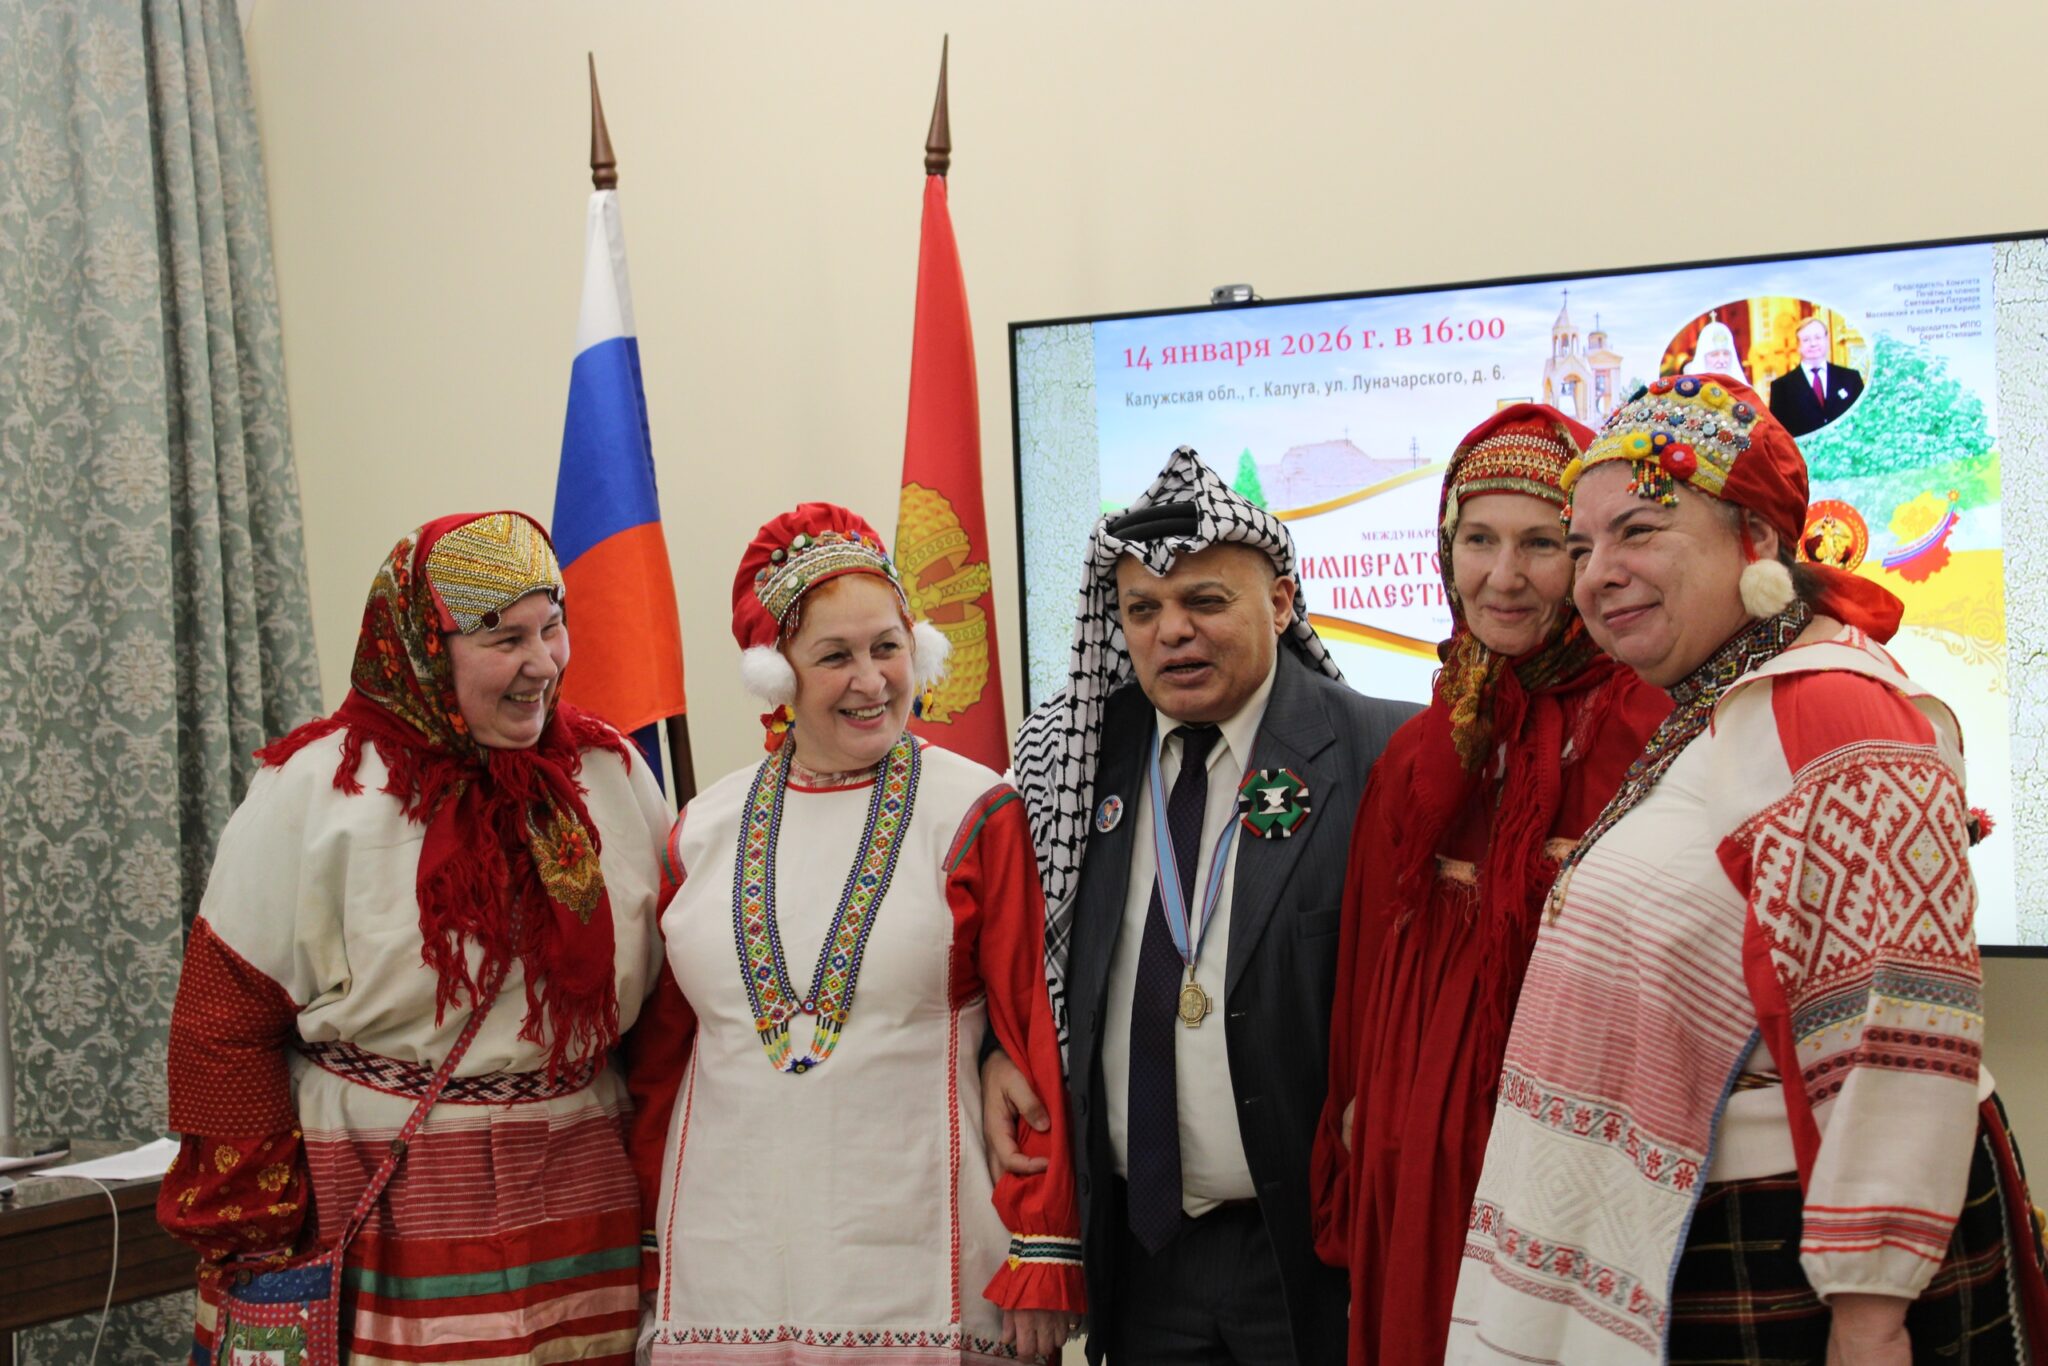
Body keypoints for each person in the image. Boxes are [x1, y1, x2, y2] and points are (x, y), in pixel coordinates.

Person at [1446, 376, 2048, 1364]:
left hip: (1799, 1255)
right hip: (1715, 1225)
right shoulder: (1724, 706)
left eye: (1639, 531)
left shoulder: (1832, 710)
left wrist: (1869, 1307)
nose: (1596, 576)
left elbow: (1895, 1026)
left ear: (1757, 539)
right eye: (1582, 546)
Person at [158, 511, 673, 1365]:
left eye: (551, 628)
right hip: (382, 1193)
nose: (543, 663)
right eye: (505, 639)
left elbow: (664, 1009)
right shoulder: (317, 791)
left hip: (584, 1189)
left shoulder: (609, 773)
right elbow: (225, 1019)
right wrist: (256, 1229)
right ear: (425, 649)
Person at [630, 504, 1083, 1364]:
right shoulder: (701, 829)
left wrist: (1042, 1246)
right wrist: (645, 1249)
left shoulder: (975, 809)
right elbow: (662, 1062)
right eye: (835, 656)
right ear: (780, 675)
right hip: (727, 1263)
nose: (871, 680)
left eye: (888, 646)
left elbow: (1030, 1028)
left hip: (924, 1255)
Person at [992, 449, 1416, 1365]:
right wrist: (998, 1052)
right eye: (1143, 610)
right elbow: (1027, 961)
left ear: (1282, 603)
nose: (1172, 632)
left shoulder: (1384, 753)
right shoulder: (1075, 760)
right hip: (1142, 1259)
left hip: (1316, 1258)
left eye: (1206, 601)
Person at [1306, 407, 1670, 1366]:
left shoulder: (1653, 733)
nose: (1502, 577)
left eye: (1542, 544)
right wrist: (1364, 1127)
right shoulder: (1420, 754)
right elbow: (1366, 978)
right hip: (1422, 1159)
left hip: (1579, 1155)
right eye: (1479, 540)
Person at [1767, 315, 1864, 436]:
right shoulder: (1781, 387)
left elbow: (1863, 420)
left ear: (1827, 340)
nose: (1813, 344)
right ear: (1797, 345)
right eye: (1806, 340)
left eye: (1818, 338)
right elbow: (1778, 435)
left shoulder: (1850, 378)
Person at [1682, 319, 1748, 385]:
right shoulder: (1693, 388)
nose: (1722, 361)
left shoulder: (1743, 388)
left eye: (1726, 354)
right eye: (1715, 355)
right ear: (1703, 358)